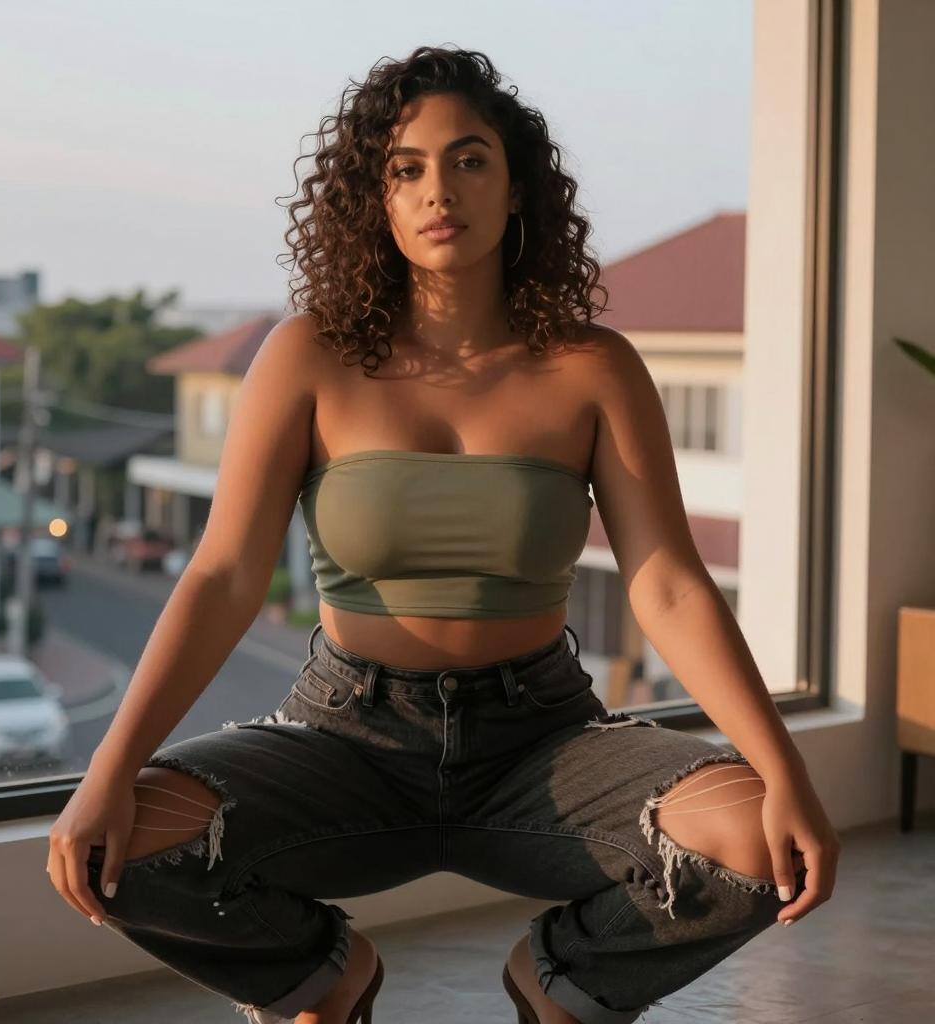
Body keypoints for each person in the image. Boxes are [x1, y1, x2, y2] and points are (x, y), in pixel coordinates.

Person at [47, 46, 838, 1024]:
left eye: (467, 160)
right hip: (348, 734)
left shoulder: (593, 367)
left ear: (516, 192)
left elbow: (667, 582)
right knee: (116, 848)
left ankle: (561, 981)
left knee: (760, 839)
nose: (436, 190)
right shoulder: (308, 356)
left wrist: (785, 771)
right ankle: (324, 976)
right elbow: (221, 575)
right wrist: (108, 772)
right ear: (374, 200)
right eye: (405, 168)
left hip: (540, 739)